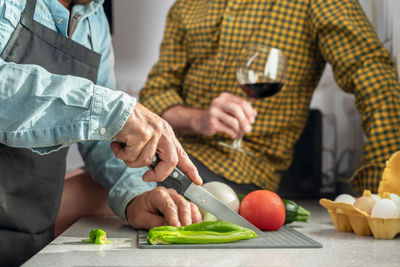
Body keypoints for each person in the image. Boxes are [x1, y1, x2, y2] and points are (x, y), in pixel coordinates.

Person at [0, 0, 202, 266]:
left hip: (32, 239)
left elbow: (103, 139)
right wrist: (111, 110)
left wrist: (136, 195)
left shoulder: (95, 21)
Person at [140, 0, 400, 195]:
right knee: (106, 167)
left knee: (122, 184)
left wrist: (387, 186)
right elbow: (154, 95)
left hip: (242, 171)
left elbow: (373, 78)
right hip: (169, 152)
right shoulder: (187, 6)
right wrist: (198, 119)